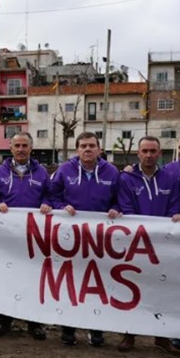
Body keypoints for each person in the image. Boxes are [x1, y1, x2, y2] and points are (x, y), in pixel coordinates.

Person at [48, 131, 121, 346]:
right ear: (77, 150)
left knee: (98, 285)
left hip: (101, 238)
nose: (87, 149)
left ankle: (96, 329)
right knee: (71, 283)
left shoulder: (112, 172)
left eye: (91, 145)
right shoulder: (64, 170)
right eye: (83, 146)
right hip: (71, 237)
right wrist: (62, 207)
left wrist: (116, 209)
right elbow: (52, 196)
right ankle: (68, 329)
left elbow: (121, 199)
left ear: (99, 149)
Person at [115, 136, 180, 353]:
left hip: (162, 244)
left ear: (159, 153)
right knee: (131, 288)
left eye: (153, 151)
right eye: (145, 151)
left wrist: (165, 232)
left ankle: (161, 336)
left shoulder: (170, 178)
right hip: (135, 243)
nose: (149, 155)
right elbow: (126, 207)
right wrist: (142, 231)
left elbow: (174, 208)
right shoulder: (126, 179)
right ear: (138, 153)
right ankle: (129, 333)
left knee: (161, 289)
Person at [0, 132, 52, 340]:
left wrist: (46, 203)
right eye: (17, 146)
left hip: (33, 236)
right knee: (6, 279)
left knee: (33, 279)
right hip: (7, 236)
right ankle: (5, 320)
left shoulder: (42, 172)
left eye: (25, 145)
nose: (21, 149)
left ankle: (34, 323)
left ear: (31, 148)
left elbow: (49, 195)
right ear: (11, 148)